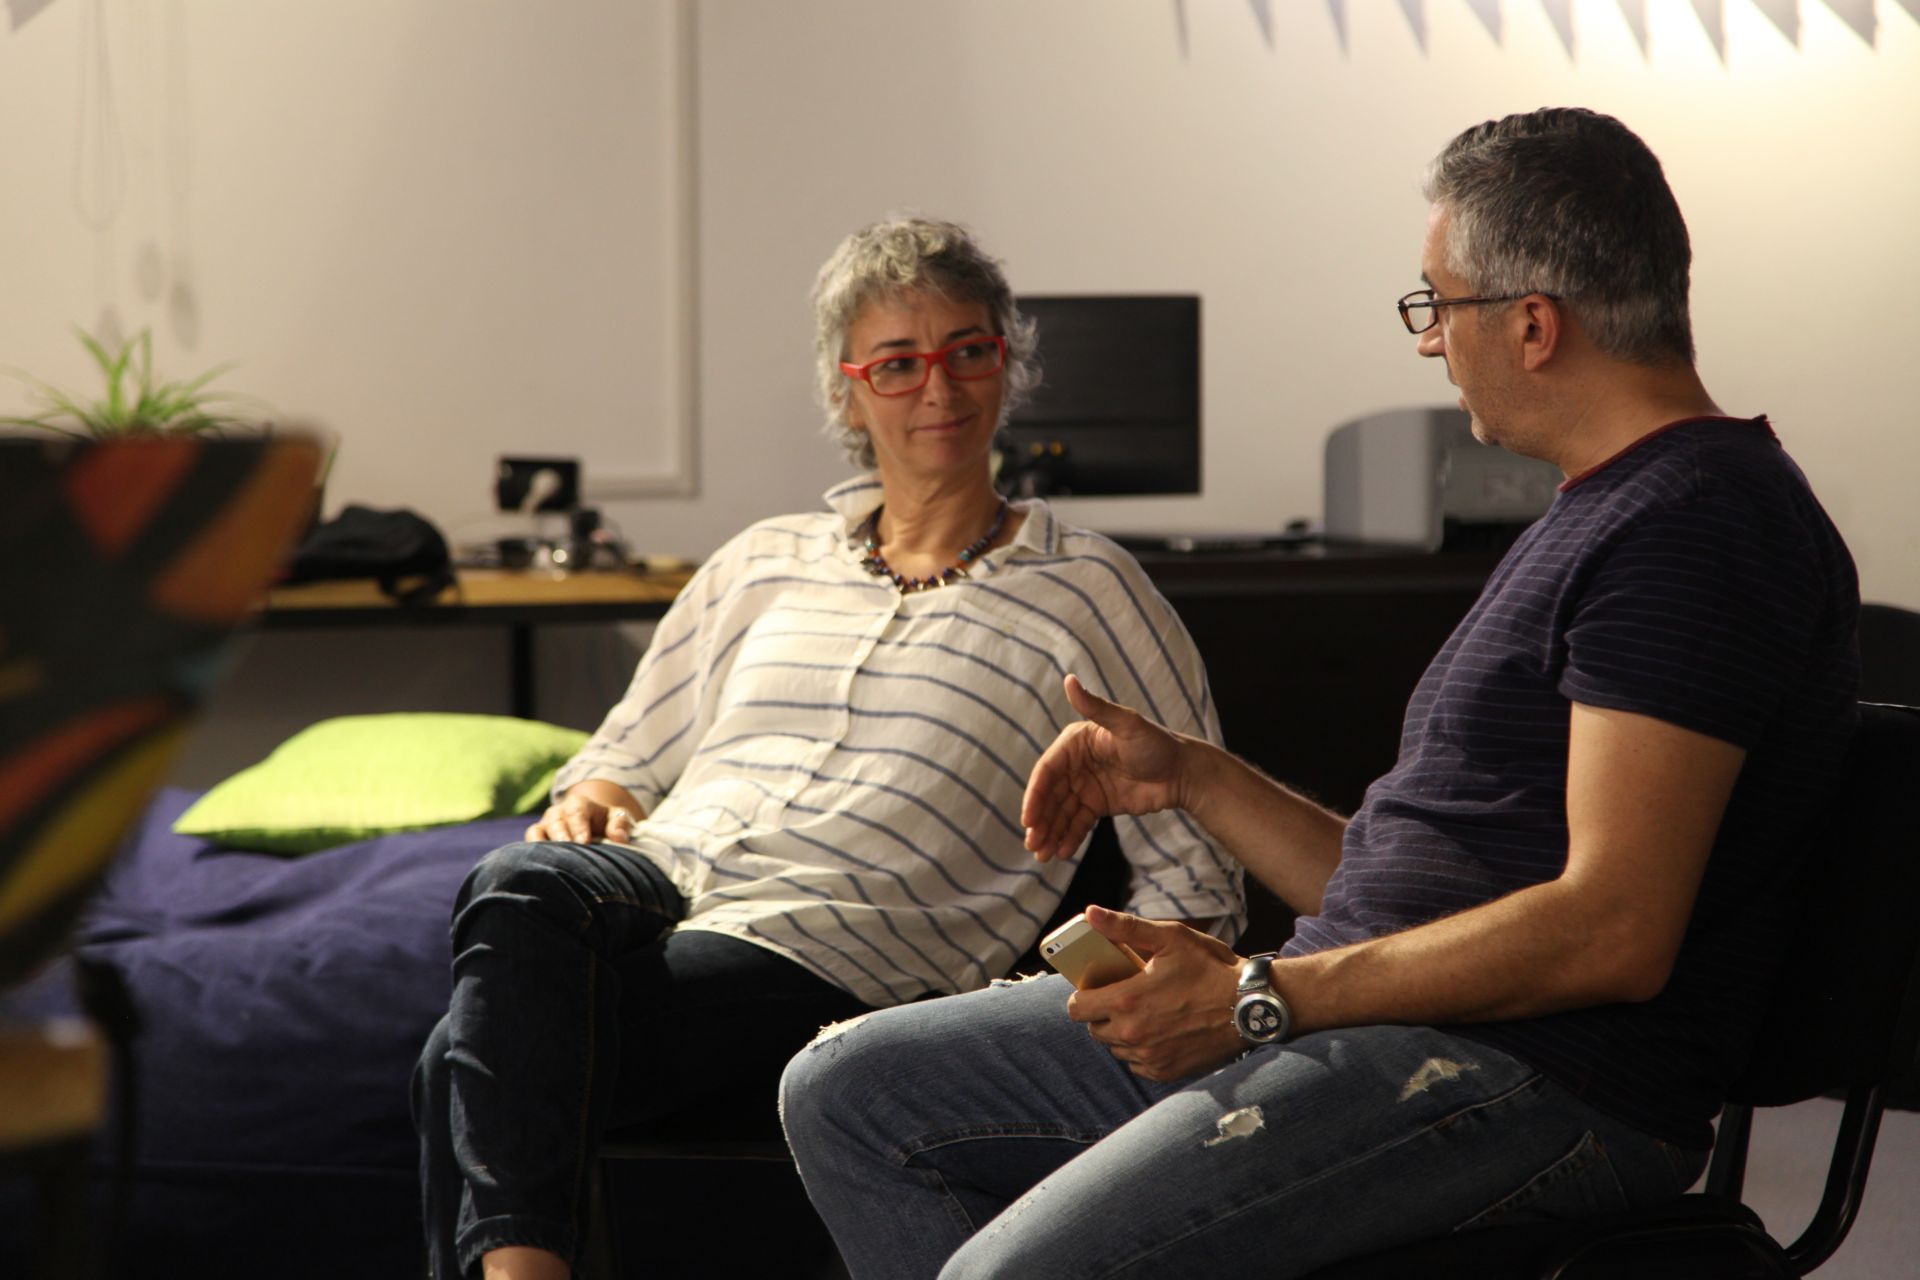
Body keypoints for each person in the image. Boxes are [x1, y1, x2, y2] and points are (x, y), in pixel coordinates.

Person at [779, 109, 1860, 1279]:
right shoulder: (1609, 513)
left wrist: (1261, 993)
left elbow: (1613, 929)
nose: (1430, 342)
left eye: (1438, 304)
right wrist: (1191, 775)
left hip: (1541, 1080)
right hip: (1389, 1023)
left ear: (1533, 324)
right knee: (846, 1089)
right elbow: (1416, 898)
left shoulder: (1697, 524)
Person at [410, 215, 1244, 1280]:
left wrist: (1144, 993)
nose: (938, 387)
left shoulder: (1091, 588)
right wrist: (596, 793)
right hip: (661, 876)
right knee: (516, 878)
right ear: (848, 393)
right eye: (897, 363)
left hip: (840, 946)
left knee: (460, 1055)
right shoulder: (758, 561)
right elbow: (624, 755)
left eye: (967, 350)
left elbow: (1195, 867)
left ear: (1006, 366)